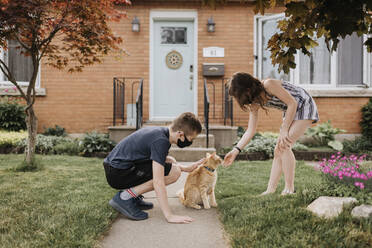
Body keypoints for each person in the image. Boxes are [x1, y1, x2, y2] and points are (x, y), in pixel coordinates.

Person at [223, 72, 319, 195]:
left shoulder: (269, 85)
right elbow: (250, 130)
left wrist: (284, 129)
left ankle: (289, 189)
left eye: (239, 95)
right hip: (291, 110)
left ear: (247, 89)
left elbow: (292, 103)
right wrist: (236, 150)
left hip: (304, 104)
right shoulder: (254, 102)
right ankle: (270, 190)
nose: (240, 99)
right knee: (278, 150)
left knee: (284, 145)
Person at [103, 112, 204, 223]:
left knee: (171, 162)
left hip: (117, 168)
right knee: (174, 172)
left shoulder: (161, 132)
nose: (191, 142)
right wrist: (169, 216)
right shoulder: (161, 141)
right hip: (117, 174)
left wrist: (185, 168)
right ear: (180, 134)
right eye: (191, 138)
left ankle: (134, 196)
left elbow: (158, 160)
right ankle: (125, 197)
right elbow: (158, 182)